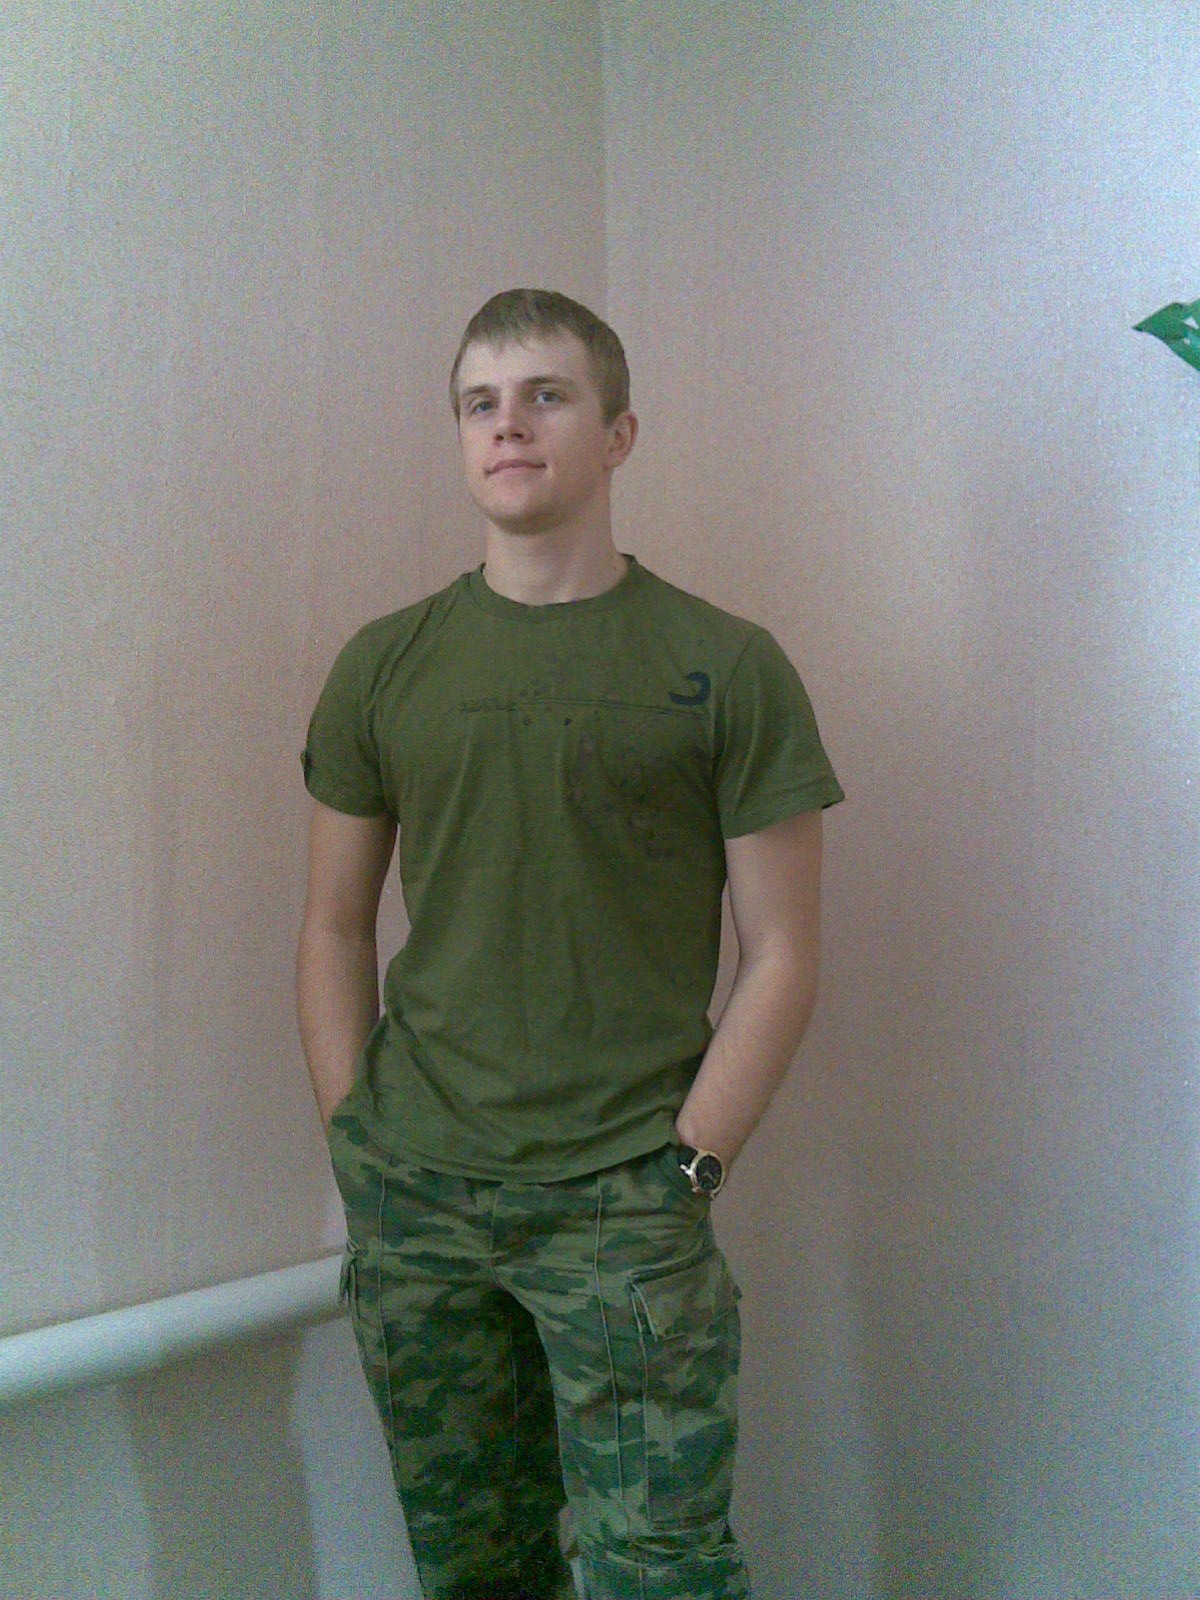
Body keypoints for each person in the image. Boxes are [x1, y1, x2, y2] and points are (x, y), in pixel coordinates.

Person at [296, 288, 844, 1600]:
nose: (509, 426)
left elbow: (782, 953)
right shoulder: (385, 665)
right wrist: (358, 1139)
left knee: (662, 1570)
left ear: (619, 434)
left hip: (624, 1196)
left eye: (546, 395)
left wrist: (690, 1168)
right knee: (474, 1568)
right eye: (480, 403)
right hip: (419, 1194)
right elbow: (332, 923)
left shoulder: (725, 666)